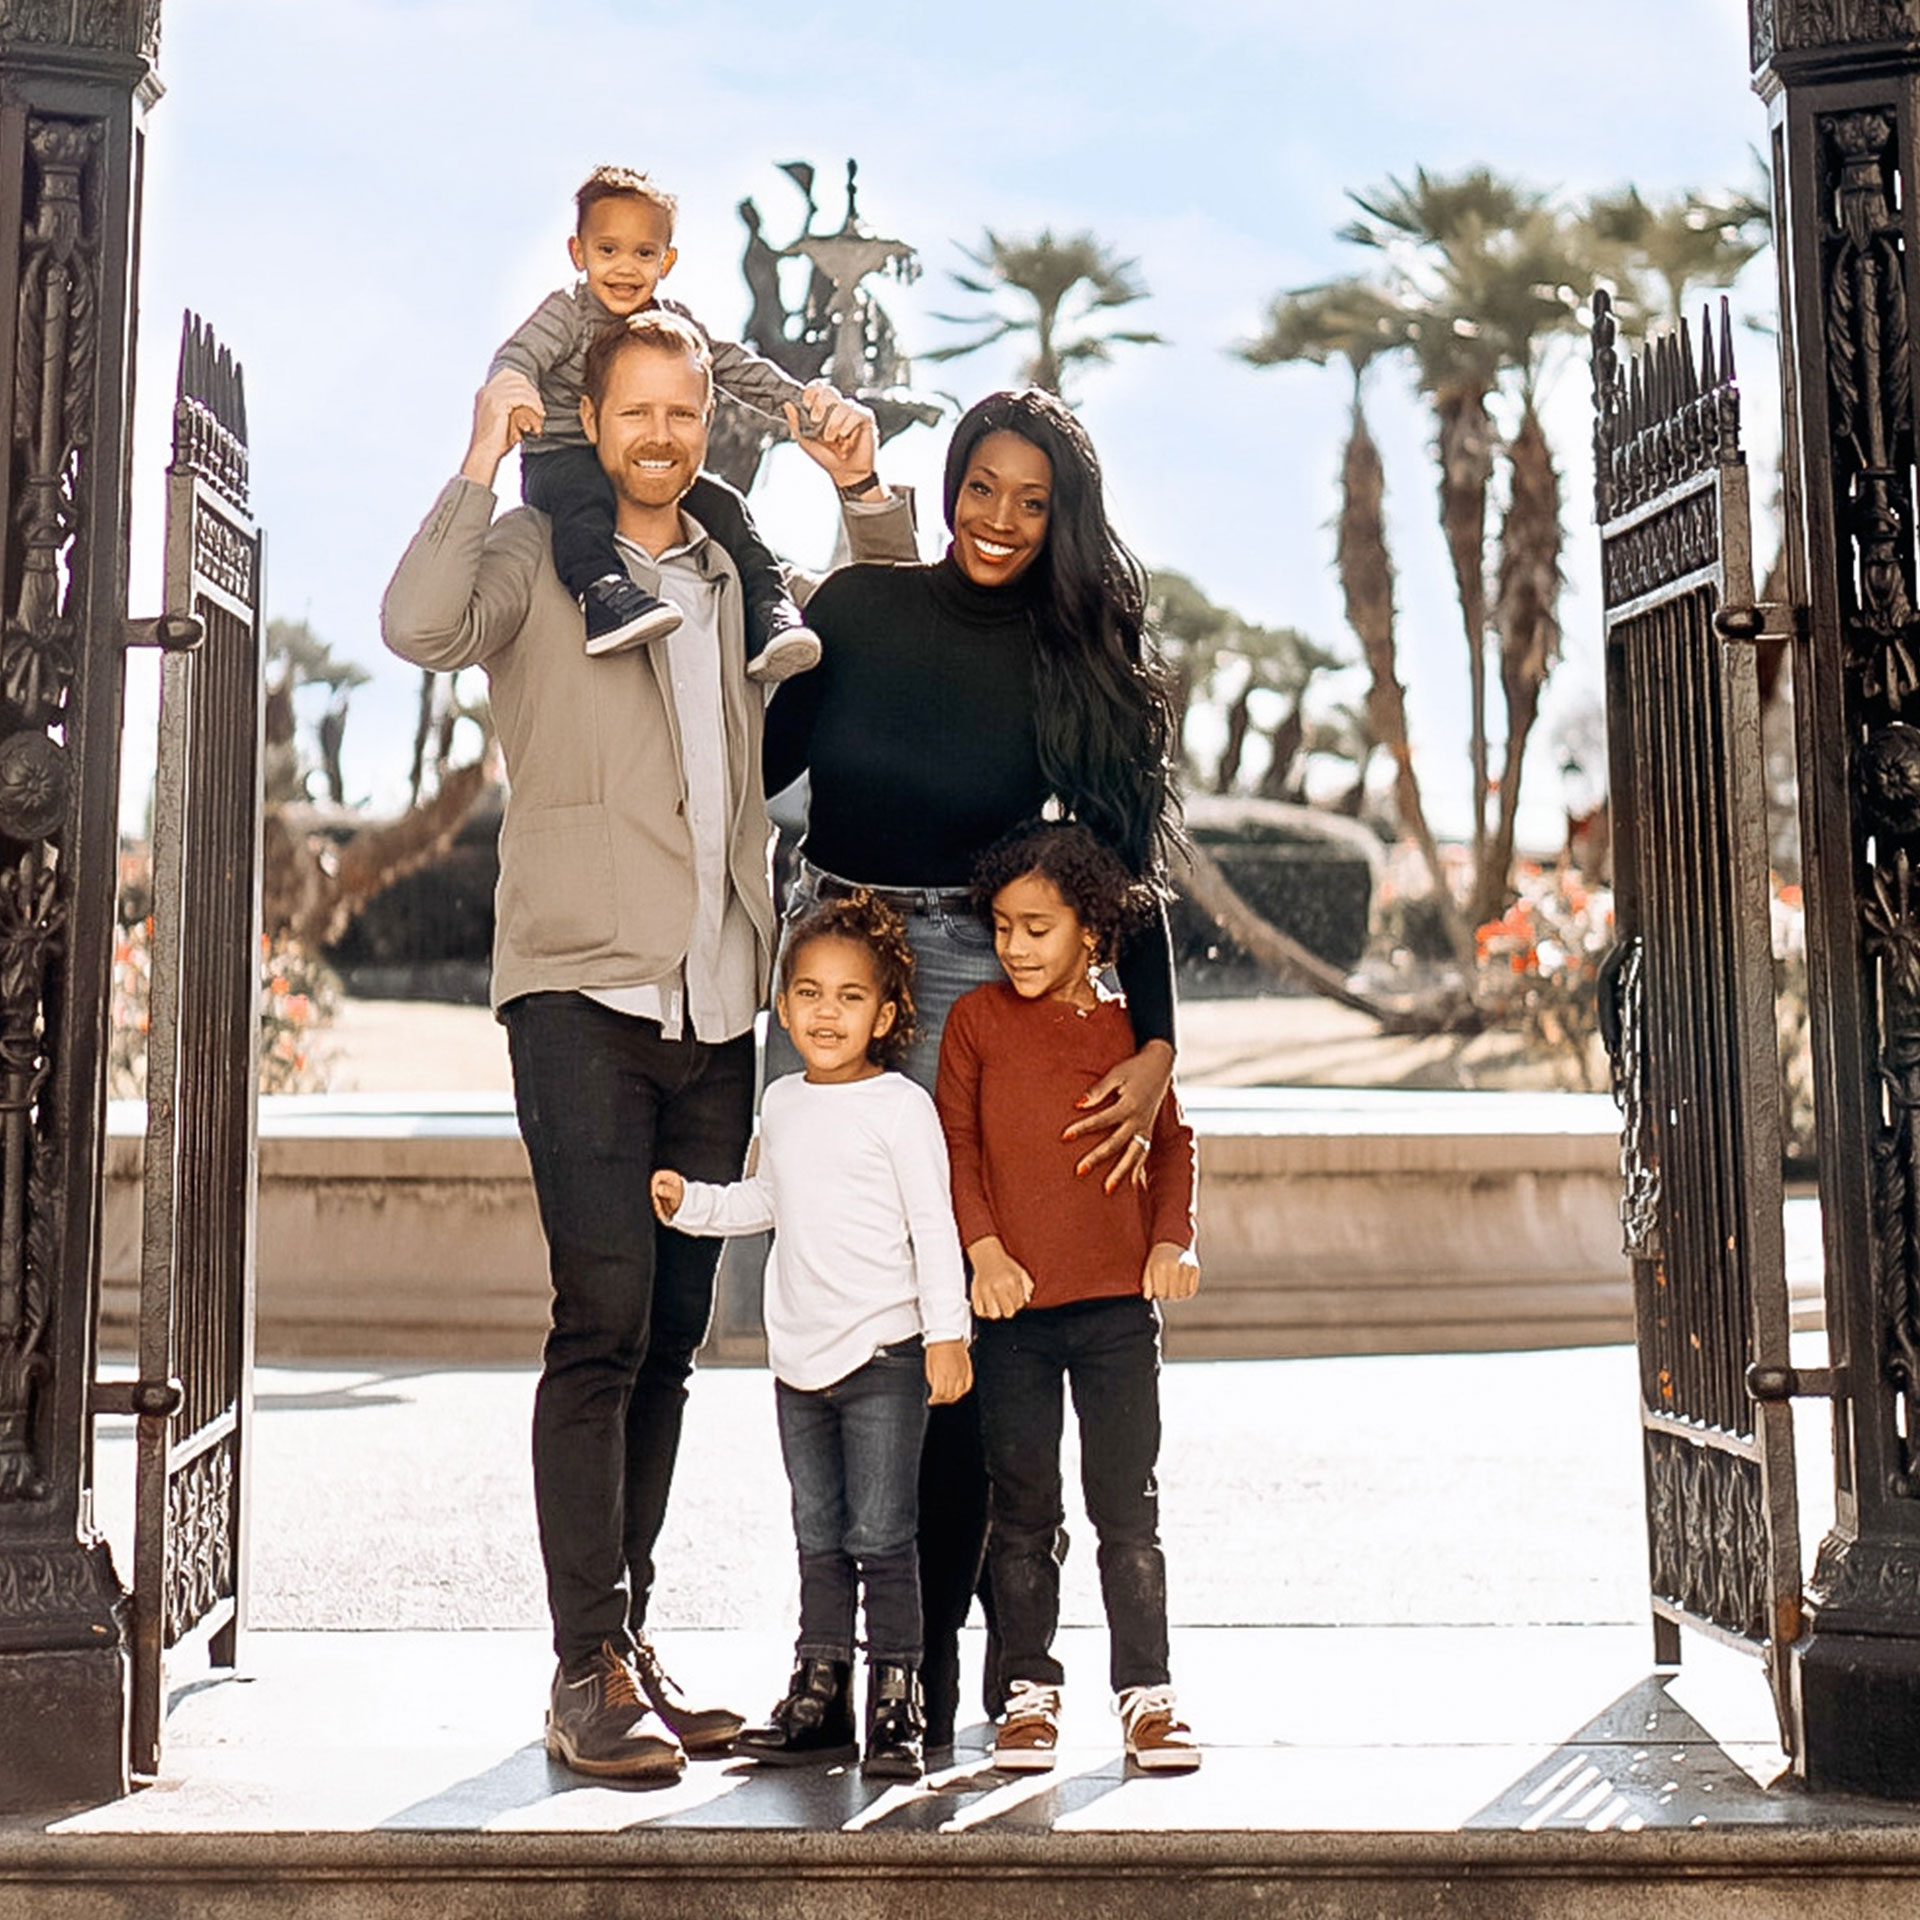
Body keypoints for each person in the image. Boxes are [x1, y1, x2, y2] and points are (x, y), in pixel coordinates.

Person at [380, 308, 913, 1782]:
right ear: (594, 424)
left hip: (713, 1008)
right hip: (577, 995)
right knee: (601, 1323)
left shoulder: (741, 575)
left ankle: (628, 1644)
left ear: (706, 424)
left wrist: (865, 491)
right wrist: (483, 455)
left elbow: (888, 628)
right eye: (639, 414)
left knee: (674, 1344)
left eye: (687, 413)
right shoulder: (540, 558)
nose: (666, 436)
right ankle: (579, 1664)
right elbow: (417, 625)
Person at [762, 387, 1186, 1751]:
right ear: (950, 487)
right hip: (842, 965)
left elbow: (1130, 883)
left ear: (1062, 517)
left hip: (979, 975)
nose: (999, 519)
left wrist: (1158, 1046)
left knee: (950, 1329)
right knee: (845, 1315)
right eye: (981, 488)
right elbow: (761, 771)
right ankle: (854, 1659)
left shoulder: (1081, 657)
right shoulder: (865, 611)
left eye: (1030, 499)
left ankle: (923, 1675)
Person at [651, 893, 972, 1782]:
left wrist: (948, 1336)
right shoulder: (784, 1103)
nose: (827, 1013)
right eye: (809, 994)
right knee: (819, 1533)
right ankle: (820, 1691)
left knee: (883, 1534)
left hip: (884, 1356)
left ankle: (897, 1700)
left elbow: (934, 1227)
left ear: (888, 1013)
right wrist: (695, 1206)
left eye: (850, 997)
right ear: (783, 1008)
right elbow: (767, 1200)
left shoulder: (900, 1109)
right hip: (799, 1363)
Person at [936, 819, 1202, 1775]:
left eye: (1037, 928)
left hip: (1119, 1317)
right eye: (1003, 926)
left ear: (1091, 929)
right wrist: (986, 1251)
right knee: (1023, 1512)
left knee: (1127, 1509)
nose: (1015, 946)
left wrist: (1172, 1237)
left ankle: (1148, 1696)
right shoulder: (974, 1023)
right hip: (1012, 1320)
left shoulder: (1133, 1031)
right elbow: (957, 1148)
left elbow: (1172, 1143)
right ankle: (1027, 1692)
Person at [488, 163, 858, 671]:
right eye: (607, 250)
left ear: (667, 261)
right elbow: (518, 356)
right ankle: (603, 594)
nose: (625, 268)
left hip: (637, 466)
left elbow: (730, 364)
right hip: (561, 457)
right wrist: (515, 386)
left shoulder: (671, 324)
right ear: (579, 253)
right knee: (585, 495)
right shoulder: (565, 315)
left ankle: (769, 613)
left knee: (726, 506)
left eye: (644, 254)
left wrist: (798, 402)